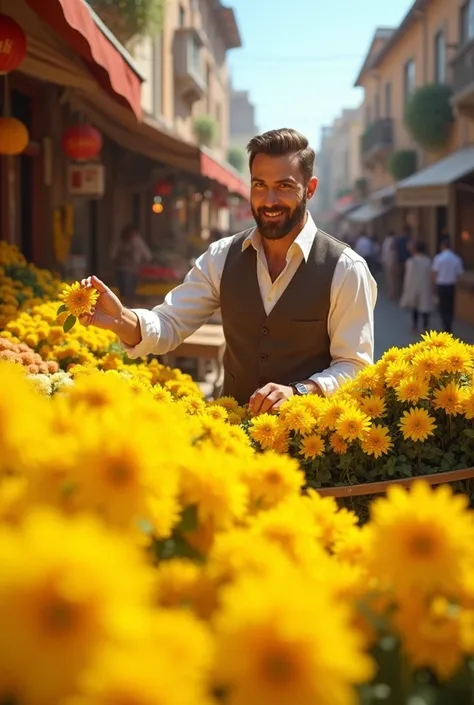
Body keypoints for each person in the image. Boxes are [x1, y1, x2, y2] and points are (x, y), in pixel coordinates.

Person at [80, 128, 377, 413]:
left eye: (284, 186)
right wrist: (122, 319)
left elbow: (355, 365)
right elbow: (169, 323)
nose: (269, 201)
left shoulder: (346, 269)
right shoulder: (222, 256)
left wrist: (303, 389)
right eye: (259, 185)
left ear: (309, 189)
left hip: (311, 446)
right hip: (233, 438)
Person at [110, 224, 152, 304]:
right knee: (122, 290)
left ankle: (129, 303)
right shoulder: (118, 242)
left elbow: (147, 255)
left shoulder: (137, 242)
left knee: (130, 289)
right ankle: (124, 302)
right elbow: (113, 255)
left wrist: (141, 266)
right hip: (120, 270)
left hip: (133, 270)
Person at [400, 242, 434, 333]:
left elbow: (408, 276)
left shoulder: (411, 261)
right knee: (425, 305)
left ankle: (415, 326)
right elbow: (431, 274)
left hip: (414, 286)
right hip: (425, 285)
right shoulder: (428, 261)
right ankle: (425, 326)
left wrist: (407, 289)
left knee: (415, 306)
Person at [432, 237, 464, 333]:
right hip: (451, 286)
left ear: (442, 246)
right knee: (450, 307)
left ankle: (444, 326)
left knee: (442, 307)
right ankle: (449, 327)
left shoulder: (438, 258)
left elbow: (434, 273)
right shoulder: (456, 259)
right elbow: (459, 275)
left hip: (441, 285)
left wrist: (433, 285)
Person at [380, 231, 397, 299]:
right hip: (392, 262)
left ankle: (391, 292)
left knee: (389, 278)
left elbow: (384, 252)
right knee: (392, 278)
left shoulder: (386, 241)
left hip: (387, 262)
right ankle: (392, 292)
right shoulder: (392, 241)